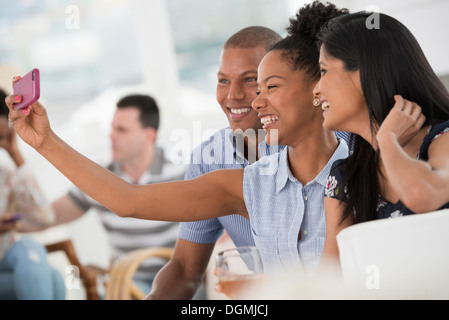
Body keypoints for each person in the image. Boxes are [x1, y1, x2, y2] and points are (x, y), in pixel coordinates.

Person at [6, 1, 349, 290]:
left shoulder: (358, 160)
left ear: (318, 90)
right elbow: (130, 201)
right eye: (224, 81)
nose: (248, 99)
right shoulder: (252, 182)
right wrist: (45, 141)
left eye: (264, 86)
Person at [147, 26, 283, 300]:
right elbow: (186, 269)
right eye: (223, 80)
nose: (232, 95)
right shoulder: (208, 159)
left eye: (249, 80)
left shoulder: (308, 146)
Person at [313, 11, 449, 260]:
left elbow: (421, 195)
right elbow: (332, 277)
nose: (316, 89)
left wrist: (387, 140)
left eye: (323, 71)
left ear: (363, 72)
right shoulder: (345, 177)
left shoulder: (444, 139)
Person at [25, 94, 186, 294]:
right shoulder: (100, 179)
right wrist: (10, 222)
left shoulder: (181, 173)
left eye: (121, 129)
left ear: (149, 136)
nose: (111, 135)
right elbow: (47, 217)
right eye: (112, 127)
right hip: (128, 283)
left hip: (177, 280)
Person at [0, 89, 65, 300]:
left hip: (8, 260)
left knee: (31, 249)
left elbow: (44, 218)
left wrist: (15, 154)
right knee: (52, 277)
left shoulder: (6, 176)